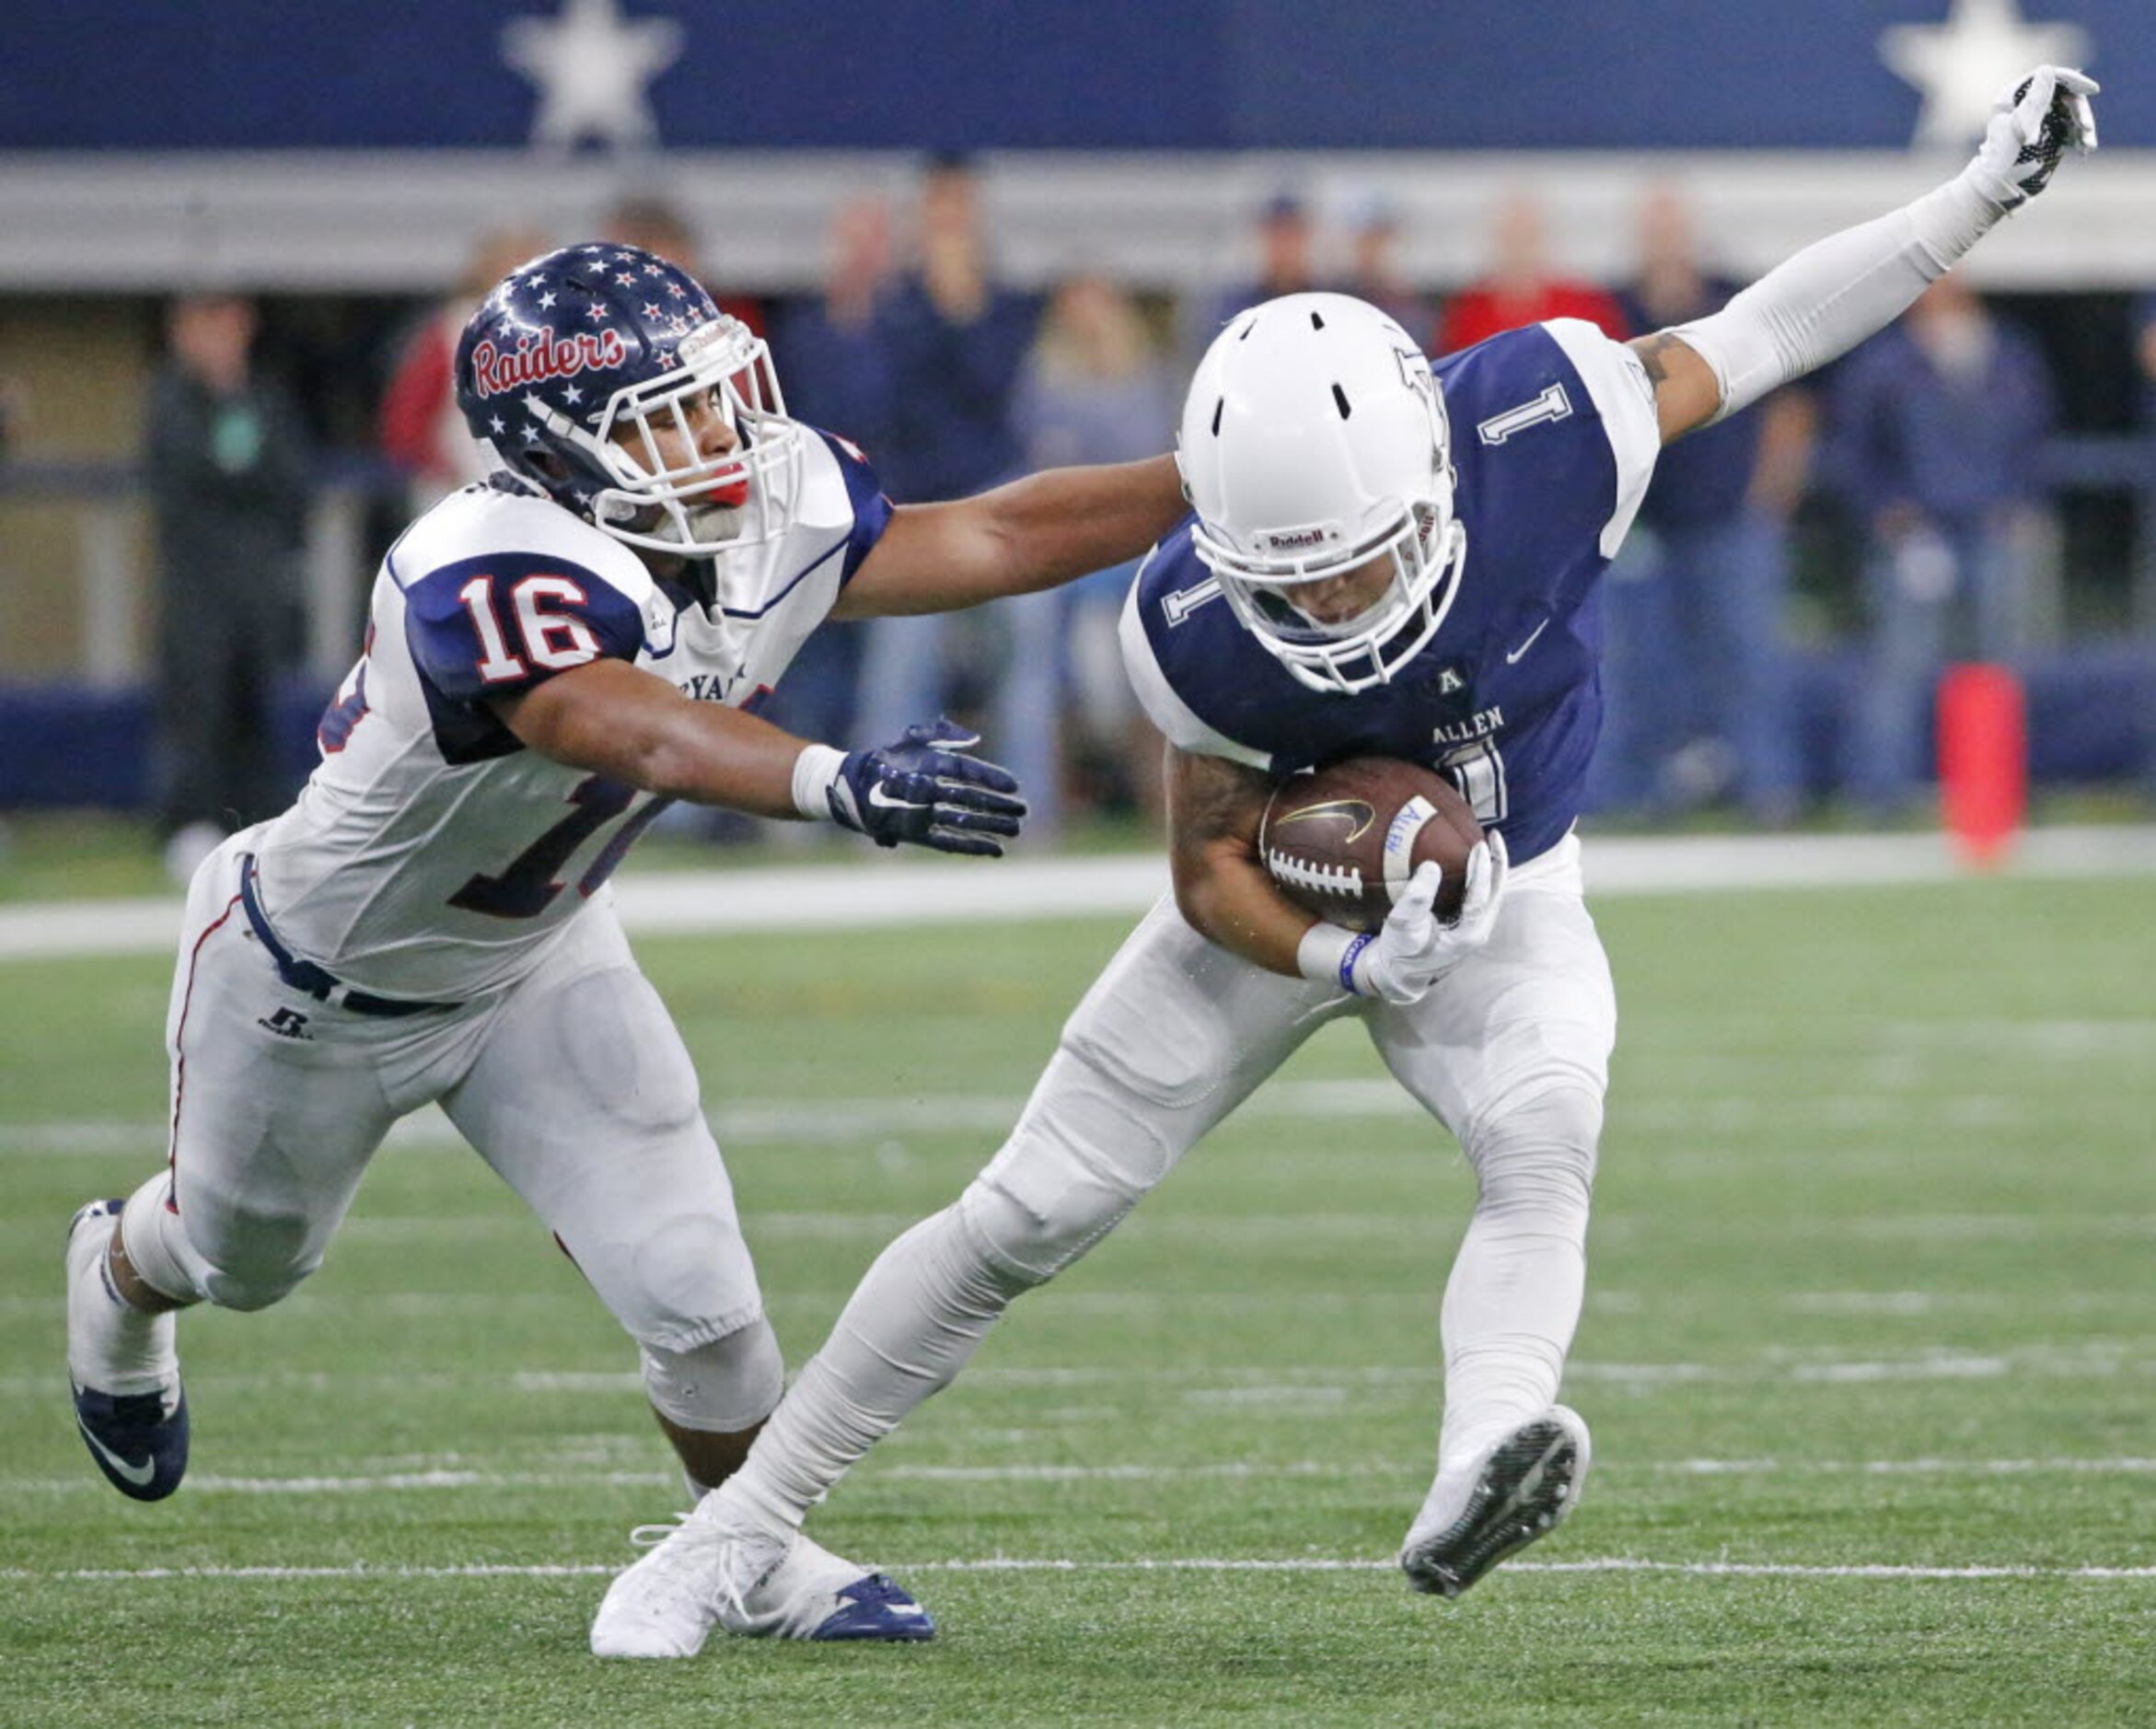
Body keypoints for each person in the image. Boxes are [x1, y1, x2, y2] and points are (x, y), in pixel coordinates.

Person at [585, 66, 2099, 1656]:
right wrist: (1346, 958)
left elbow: (1772, 327)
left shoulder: (1543, 421)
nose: (1328, 608)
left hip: (1512, 870)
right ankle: (730, 1534)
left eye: (1358, 562)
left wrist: (1976, 194)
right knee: (1024, 1209)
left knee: (1545, 1131)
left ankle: (1481, 1454)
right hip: (1290, 900)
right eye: (1287, 582)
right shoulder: (1188, 625)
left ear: (1433, 483)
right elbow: (1208, 867)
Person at [64, 241, 1188, 1642]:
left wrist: (1212, 479)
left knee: (702, 1299)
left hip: (536, 953)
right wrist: (829, 777)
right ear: (563, 447)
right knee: (239, 1259)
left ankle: (746, 1548)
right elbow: (611, 720)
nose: (717, 434)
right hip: (314, 982)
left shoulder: (762, 498)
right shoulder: (481, 561)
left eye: (714, 395)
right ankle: (115, 1272)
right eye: (666, 413)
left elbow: (998, 536)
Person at [1594, 185, 1813, 824]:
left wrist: (1771, 492)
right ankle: (1646, 797)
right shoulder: (1616, 308)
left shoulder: (1730, 302)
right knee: (1642, 667)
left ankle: (1771, 789)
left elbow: (1790, 402)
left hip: (1730, 516)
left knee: (1749, 662)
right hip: (1647, 521)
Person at [850, 155, 1056, 826]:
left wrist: (960, 310)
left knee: (1024, 663)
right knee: (901, 669)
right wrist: (940, 307)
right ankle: (885, 808)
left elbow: (991, 385)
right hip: (915, 501)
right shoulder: (897, 299)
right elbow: (891, 397)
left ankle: (1030, 810)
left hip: (996, 497)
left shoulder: (1000, 298)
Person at [1827, 271, 2060, 812]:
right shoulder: (1887, 363)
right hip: (1916, 532)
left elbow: (2035, 434)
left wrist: (2023, 502)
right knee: (1900, 664)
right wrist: (1888, 513)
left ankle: (1994, 787)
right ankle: (1880, 792)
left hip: (1991, 527)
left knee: (1997, 665)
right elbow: (1858, 448)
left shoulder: (2005, 354)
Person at [144, 293, 314, 884]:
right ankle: (188, 823)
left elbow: (290, 473)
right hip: (198, 579)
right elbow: (190, 472)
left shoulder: (262, 394)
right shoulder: (170, 397)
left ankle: (255, 822)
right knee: (198, 701)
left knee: (254, 701)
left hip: (256, 578)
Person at [1012, 273, 1180, 820]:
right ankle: (1041, 804)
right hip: (1064, 550)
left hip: (1133, 549)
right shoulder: (1043, 377)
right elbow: (1045, 462)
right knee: (1039, 655)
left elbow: (1147, 460)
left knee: (1156, 666)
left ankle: (1168, 803)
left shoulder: (1147, 376)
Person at [377, 226, 551, 510]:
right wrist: (438, 464)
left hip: (542, 494)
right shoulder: (452, 330)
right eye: (513, 261)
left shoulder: (565, 335)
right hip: (458, 494)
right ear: (485, 267)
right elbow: (404, 418)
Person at [1433, 187, 1629, 354]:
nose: (1520, 246)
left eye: (1528, 234)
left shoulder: (1584, 307)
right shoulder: (1468, 311)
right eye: (1512, 235)